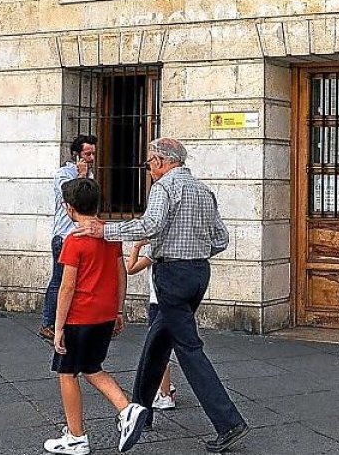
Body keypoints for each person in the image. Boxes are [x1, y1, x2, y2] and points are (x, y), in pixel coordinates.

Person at [74, 137, 249, 453]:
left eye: (149, 164)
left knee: (189, 348)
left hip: (172, 275)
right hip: (198, 273)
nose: (149, 170)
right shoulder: (203, 190)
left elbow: (150, 226)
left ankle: (229, 423)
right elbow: (221, 239)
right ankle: (140, 411)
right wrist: (195, 251)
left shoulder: (165, 188)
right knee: (157, 342)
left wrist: (105, 230)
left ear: (159, 161)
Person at [45, 178, 148, 455]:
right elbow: (121, 273)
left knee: (66, 373)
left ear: (69, 208)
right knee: (92, 367)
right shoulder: (109, 236)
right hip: (104, 313)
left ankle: (76, 436)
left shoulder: (73, 241)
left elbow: (67, 286)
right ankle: (127, 409)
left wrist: (57, 326)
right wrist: (119, 310)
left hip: (79, 315)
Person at [40, 134, 98, 341]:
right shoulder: (64, 175)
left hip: (80, 235)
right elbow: (75, 198)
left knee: (75, 281)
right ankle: (48, 323)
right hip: (64, 236)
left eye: (93, 153)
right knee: (60, 281)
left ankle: (67, 320)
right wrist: (82, 177)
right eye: (87, 154)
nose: (91, 158)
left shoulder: (88, 177)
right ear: (76, 155)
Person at [126, 239, 177, 410]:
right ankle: (166, 388)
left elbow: (130, 268)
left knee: (158, 350)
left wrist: (136, 246)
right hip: (173, 302)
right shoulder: (173, 246)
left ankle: (165, 394)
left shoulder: (153, 251)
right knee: (165, 347)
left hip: (157, 302)